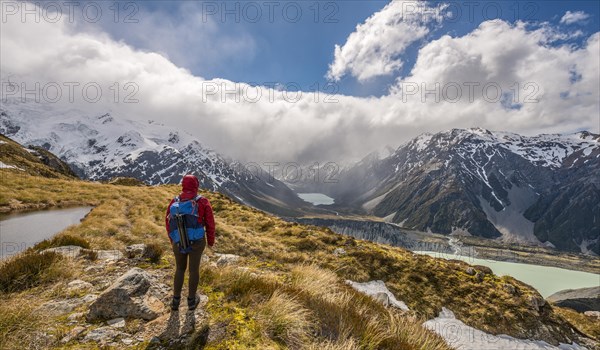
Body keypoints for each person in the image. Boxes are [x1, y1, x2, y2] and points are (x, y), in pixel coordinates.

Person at [165, 174, 215, 311]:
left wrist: (173, 239)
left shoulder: (174, 201)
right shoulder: (203, 201)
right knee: (193, 270)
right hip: (197, 242)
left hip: (178, 241)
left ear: (183, 185)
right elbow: (210, 223)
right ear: (196, 186)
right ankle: (191, 301)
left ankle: (175, 301)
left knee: (180, 269)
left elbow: (168, 222)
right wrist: (210, 241)